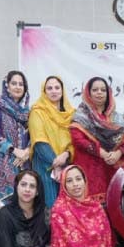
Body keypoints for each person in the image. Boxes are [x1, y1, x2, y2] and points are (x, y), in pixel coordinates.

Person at [70, 76, 124, 203]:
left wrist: (118, 153)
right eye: (95, 90)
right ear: (88, 93)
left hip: (110, 168)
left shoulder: (116, 118)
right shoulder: (81, 115)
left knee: (113, 207)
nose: (99, 93)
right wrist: (101, 153)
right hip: (89, 168)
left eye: (103, 90)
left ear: (108, 94)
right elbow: (78, 139)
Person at [28, 76, 75, 208]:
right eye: (49, 88)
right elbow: (39, 141)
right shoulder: (37, 111)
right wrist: (56, 164)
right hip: (45, 166)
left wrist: (66, 155)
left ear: (62, 90)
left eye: (57, 87)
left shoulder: (71, 114)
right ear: (44, 91)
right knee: (51, 206)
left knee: (68, 208)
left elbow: (75, 141)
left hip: (67, 165)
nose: (53, 91)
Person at [0, 70, 31, 200]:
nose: (17, 87)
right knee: (3, 207)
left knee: (24, 203)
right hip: (2, 163)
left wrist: (27, 152)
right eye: (14, 83)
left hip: (24, 164)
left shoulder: (27, 112)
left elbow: (34, 136)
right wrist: (15, 151)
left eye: (21, 84)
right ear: (7, 86)